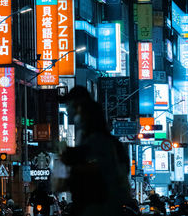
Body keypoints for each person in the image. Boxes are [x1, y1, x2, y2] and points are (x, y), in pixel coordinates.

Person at [56, 86, 132, 216]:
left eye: (72, 107)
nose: (70, 111)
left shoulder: (99, 140)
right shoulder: (88, 138)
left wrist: (71, 165)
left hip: (99, 206)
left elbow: (105, 168)